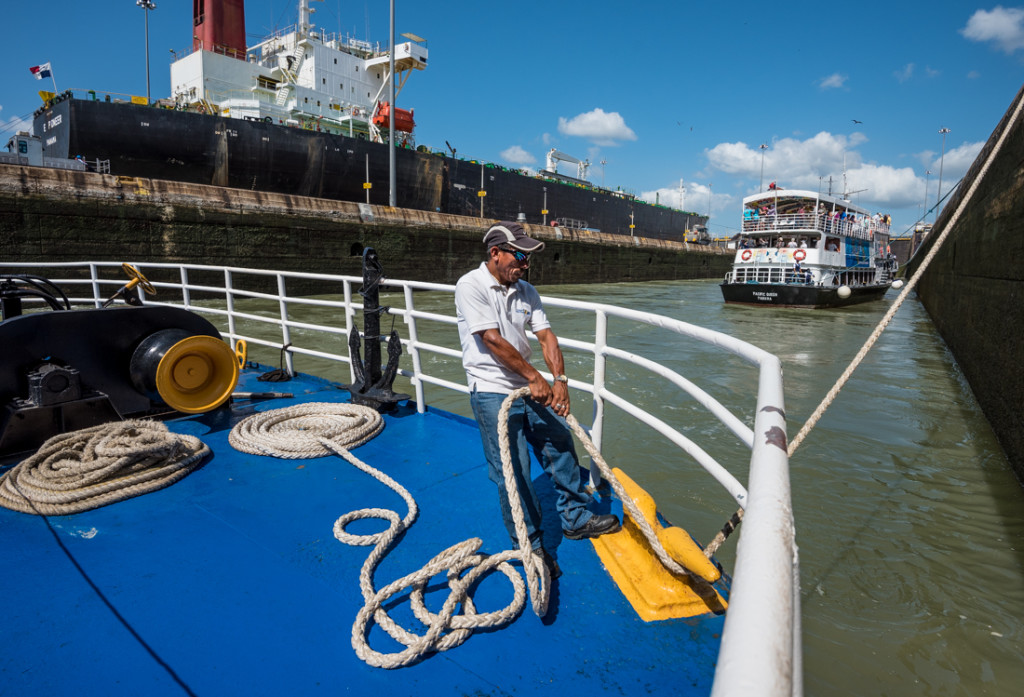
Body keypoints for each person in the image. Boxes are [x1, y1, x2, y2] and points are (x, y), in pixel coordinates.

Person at [455, 222, 621, 577]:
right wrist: (534, 377)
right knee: (513, 471)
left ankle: (575, 518)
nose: (525, 264)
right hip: (491, 389)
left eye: (528, 257)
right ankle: (528, 547)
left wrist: (559, 380)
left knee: (560, 442)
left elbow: (546, 337)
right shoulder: (470, 285)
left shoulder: (526, 290)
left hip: (531, 386)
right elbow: (491, 339)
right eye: (519, 255)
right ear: (494, 253)